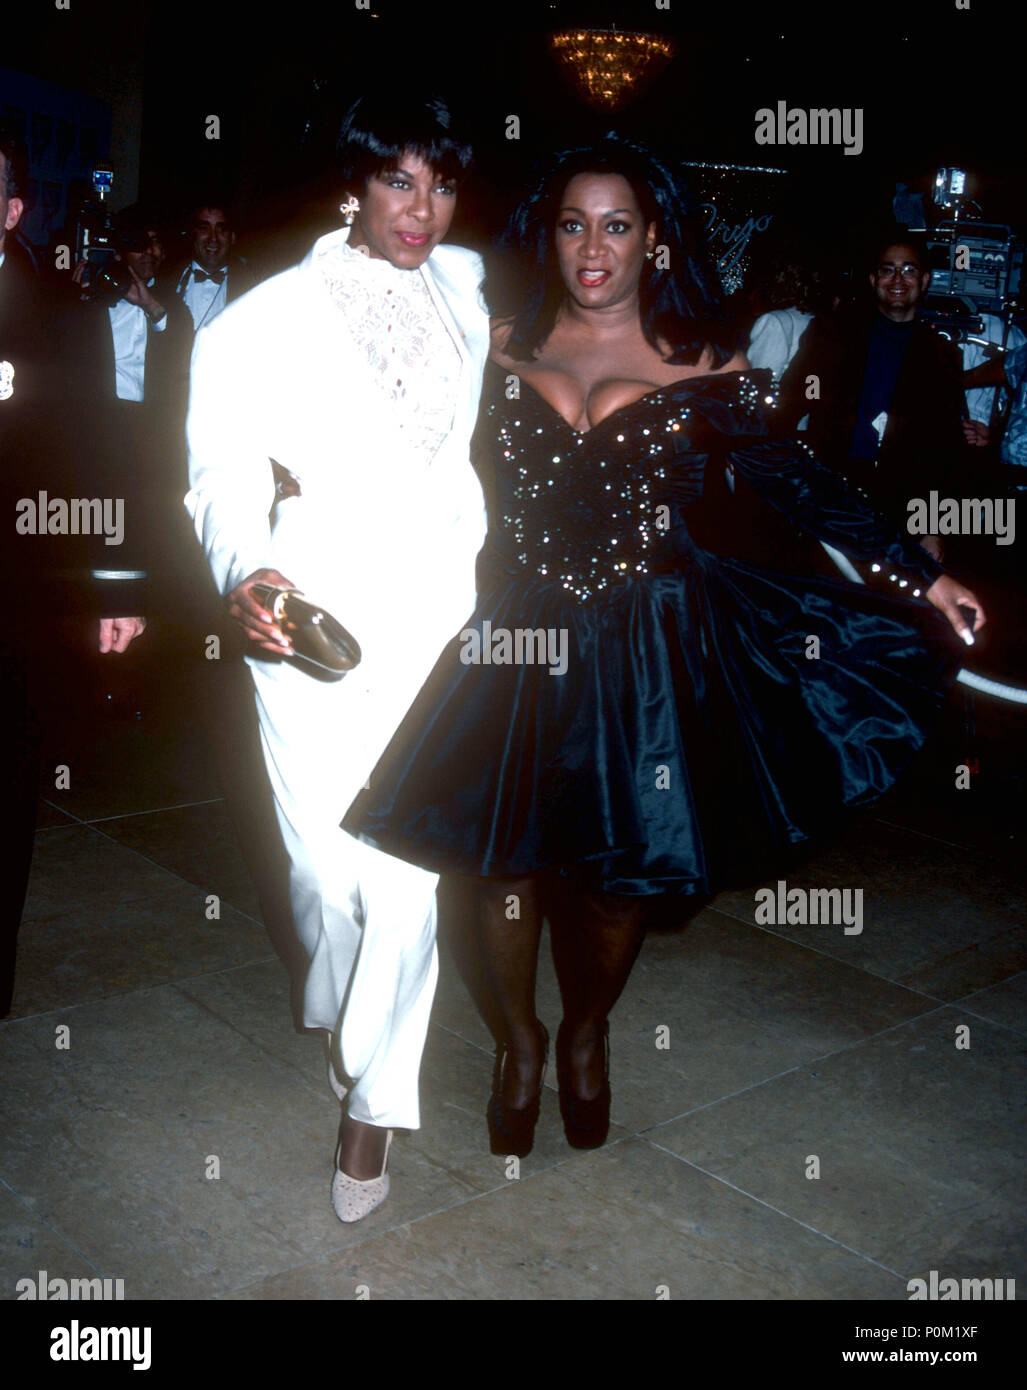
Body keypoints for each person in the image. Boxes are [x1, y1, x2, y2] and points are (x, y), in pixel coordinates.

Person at [343, 138, 985, 1160]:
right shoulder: (494, 342)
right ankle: (519, 1042)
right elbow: (389, 441)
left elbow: (802, 483)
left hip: (649, 646)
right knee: (499, 867)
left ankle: (587, 1030)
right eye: (571, 223)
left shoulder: (707, 365)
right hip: (519, 635)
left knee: (614, 879)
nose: (591, 247)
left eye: (616, 225)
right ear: (545, 236)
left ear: (655, 240)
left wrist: (917, 570)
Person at [185, 93, 489, 1222]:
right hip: (307, 625)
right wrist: (246, 573)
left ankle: (372, 1106)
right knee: (326, 878)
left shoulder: (467, 288)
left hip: (437, 627)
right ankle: (338, 994)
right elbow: (218, 474)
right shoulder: (257, 323)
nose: (423, 209)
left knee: (406, 879)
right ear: (352, 185)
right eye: (400, 181)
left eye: (442, 184)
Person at [776, 230, 966, 558]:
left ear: (924, 280)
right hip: (831, 496)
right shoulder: (831, 334)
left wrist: (935, 529)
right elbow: (792, 403)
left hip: (903, 510)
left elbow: (945, 451)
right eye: (888, 269)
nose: (898, 279)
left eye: (909, 270)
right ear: (873, 278)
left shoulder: (943, 355)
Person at [168, 200, 259, 332]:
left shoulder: (251, 285)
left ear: (232, 237)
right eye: (204, 228)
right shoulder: (165, 281)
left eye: (221, 229)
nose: (213, 238)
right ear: (192, 235)